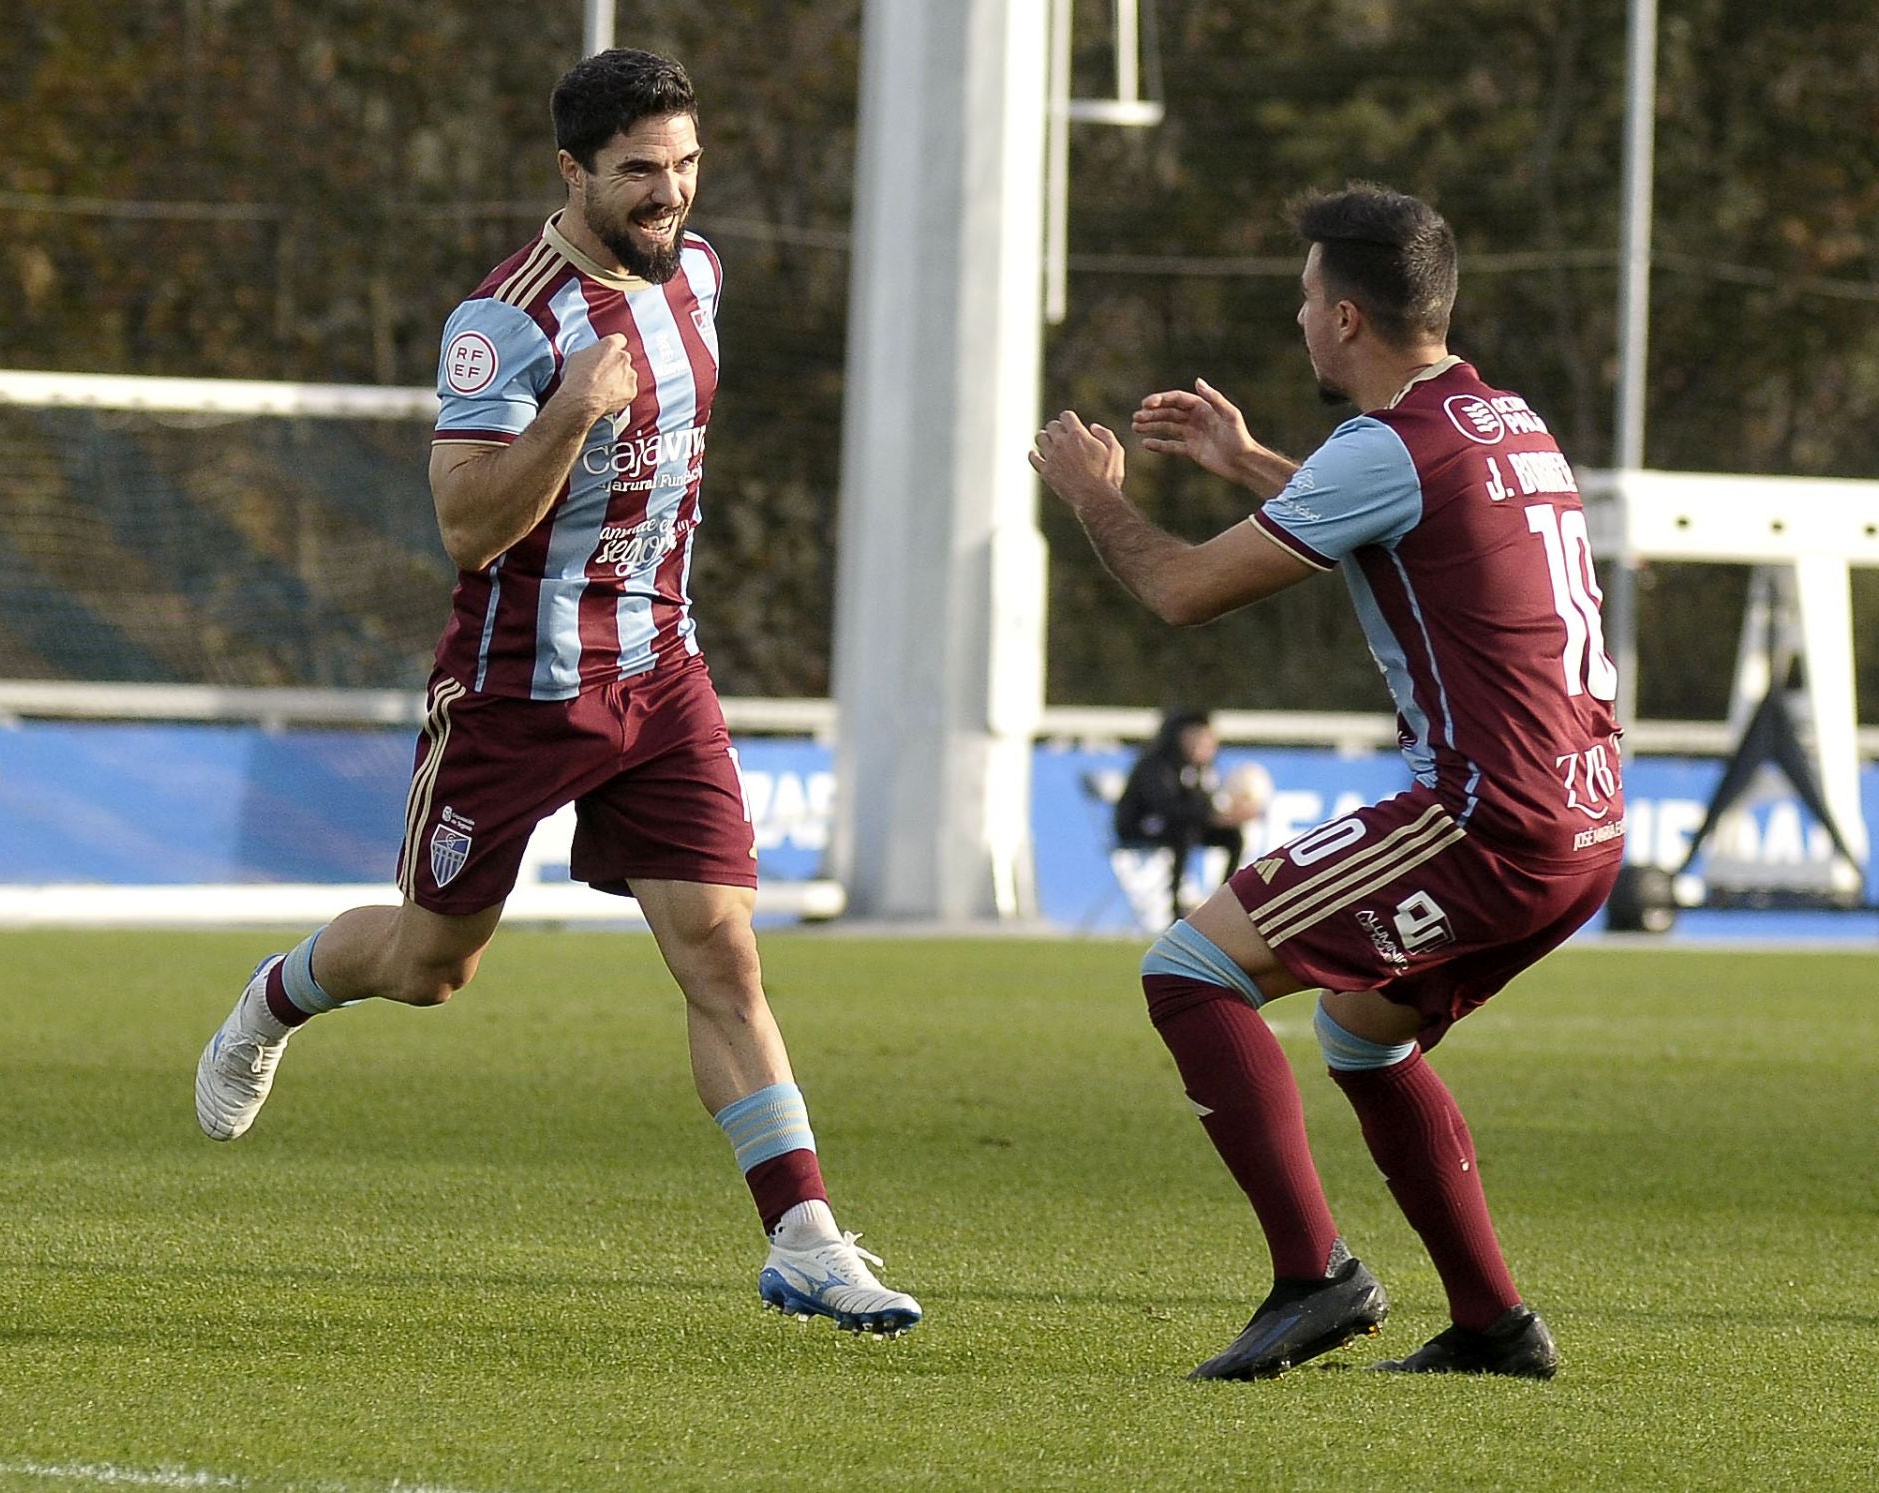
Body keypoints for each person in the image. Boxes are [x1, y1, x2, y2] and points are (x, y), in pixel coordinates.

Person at [195, 48, 920, 1338]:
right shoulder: (504, 324)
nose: (671, 195)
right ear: (572, 172)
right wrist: (572, 415)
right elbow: (469, 528)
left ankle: (805, 1235)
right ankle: (274, 998)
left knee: (721, 950)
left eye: (686, 165)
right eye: (641, 171)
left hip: (661, 671)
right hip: (519, 692)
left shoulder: (697, 274)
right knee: (432, 965)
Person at [1030, 182, 1623, 1380]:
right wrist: (1248, 456)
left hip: (1484, 819)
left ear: (1348, 317)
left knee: (1191, 967)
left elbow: (1182, 591)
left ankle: (1316, 1276)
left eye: (1304, 298)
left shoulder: (1387, 447)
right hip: (1586, 820)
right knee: (1361, 1032)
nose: (1297, 320)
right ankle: (1495, 1324)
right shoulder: (1502, 417)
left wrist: (1090, 490)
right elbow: (1405, 513)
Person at [1112, 708, 1264, 928]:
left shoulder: (1201, 768)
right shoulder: (1155, 766)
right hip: (1144, 827)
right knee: (1182, 834)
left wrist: (1228, 815)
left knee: (1232, 837)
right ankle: (1175, 910)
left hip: (1185, 827)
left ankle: (1220, 906)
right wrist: (1213, 817)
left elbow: (1203, 804)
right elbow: (1166, 809)